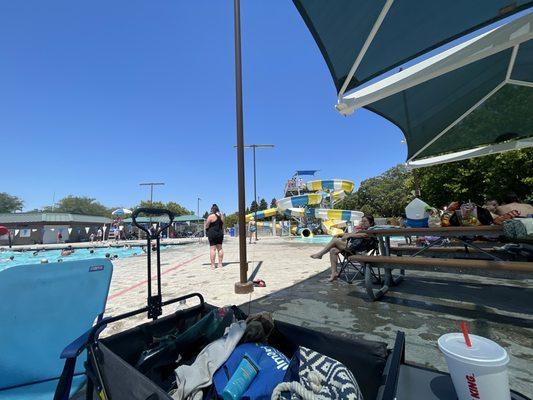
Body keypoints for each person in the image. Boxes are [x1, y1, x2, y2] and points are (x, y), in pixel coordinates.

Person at [310, 215, 376, 282]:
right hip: (351, 250)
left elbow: (364, 235)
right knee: (333, 250)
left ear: (371, 223)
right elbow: (351, 233)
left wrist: (349, 235)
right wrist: (340, 234)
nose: (363, 223)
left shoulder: (372, 230)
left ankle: (320, 254)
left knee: (335, 240)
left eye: (365, 221)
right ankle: (334, 273)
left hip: (359, 252)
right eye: (362, 221)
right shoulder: (361, 229)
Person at [205, 204, 224, 269]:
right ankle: (220, 264)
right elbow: (222, 224)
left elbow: (207, 225)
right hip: (220, 233)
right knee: (220, 248)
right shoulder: (221, 216)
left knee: (212, 249)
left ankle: (213, 265)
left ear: (212, 209)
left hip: (212, 233)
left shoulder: (211, 216)